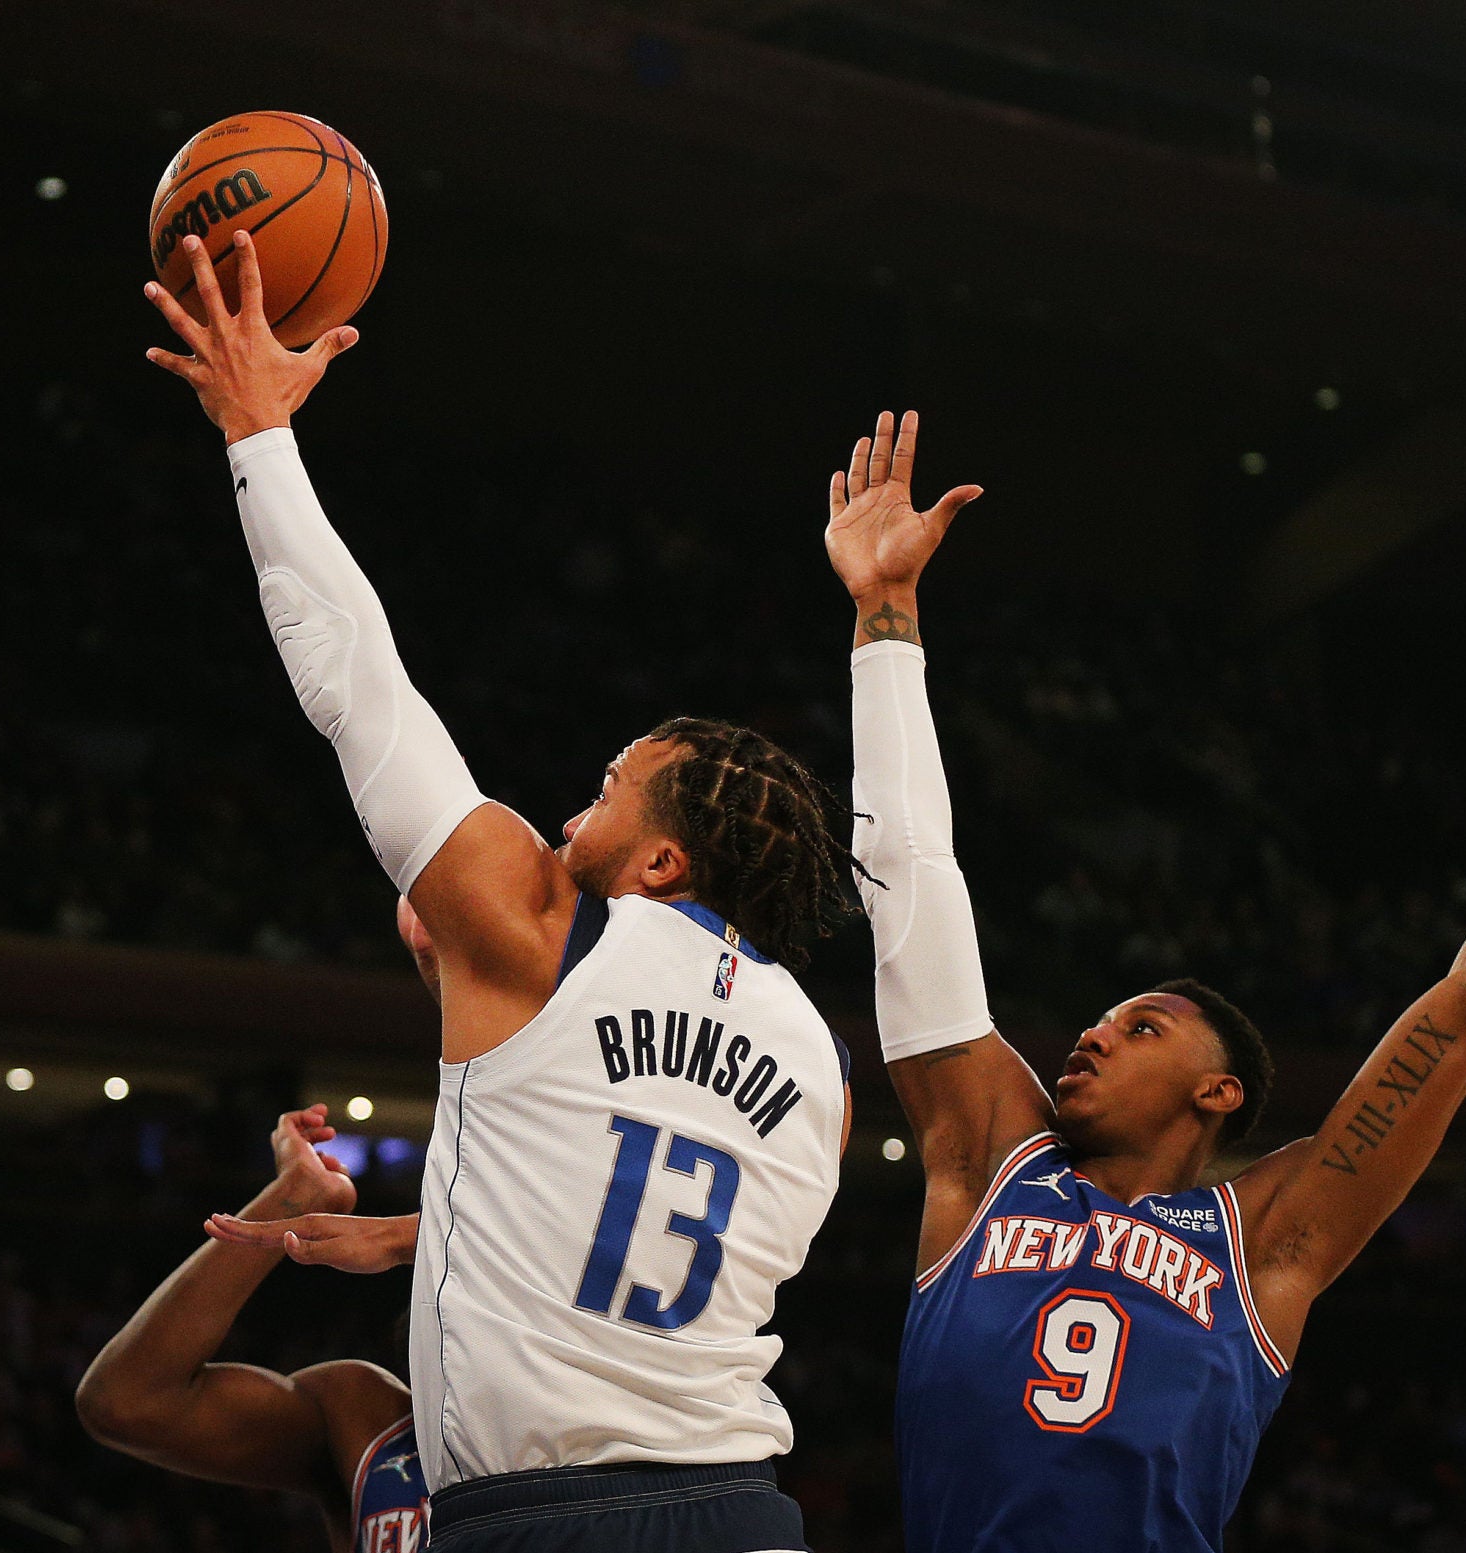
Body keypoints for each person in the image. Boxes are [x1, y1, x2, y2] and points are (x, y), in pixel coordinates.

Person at [823, 411, 1466, 1552]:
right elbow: (905, 872)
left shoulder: (1268, 1235)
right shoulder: (986, 1157)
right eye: (1102, 1017)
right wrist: (886, 614)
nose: (1093, 1032)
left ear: (1219, 1091)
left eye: (1141, 1024)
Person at [140, 233, 854, 1552]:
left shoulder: (547, 928)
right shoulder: (820, 1061)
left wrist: (257, 434)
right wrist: (436, 1228)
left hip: (547, 1517)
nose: (581, 798)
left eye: (613, 783)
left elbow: (363, 692)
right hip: (745, 1512)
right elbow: (653, 1236)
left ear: (661, 861)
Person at [75, 1105, 427, 1552]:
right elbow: (125, 1401)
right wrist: (296, 1194)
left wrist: (411, 1235)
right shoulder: (365, 1417)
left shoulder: (544, 1428)